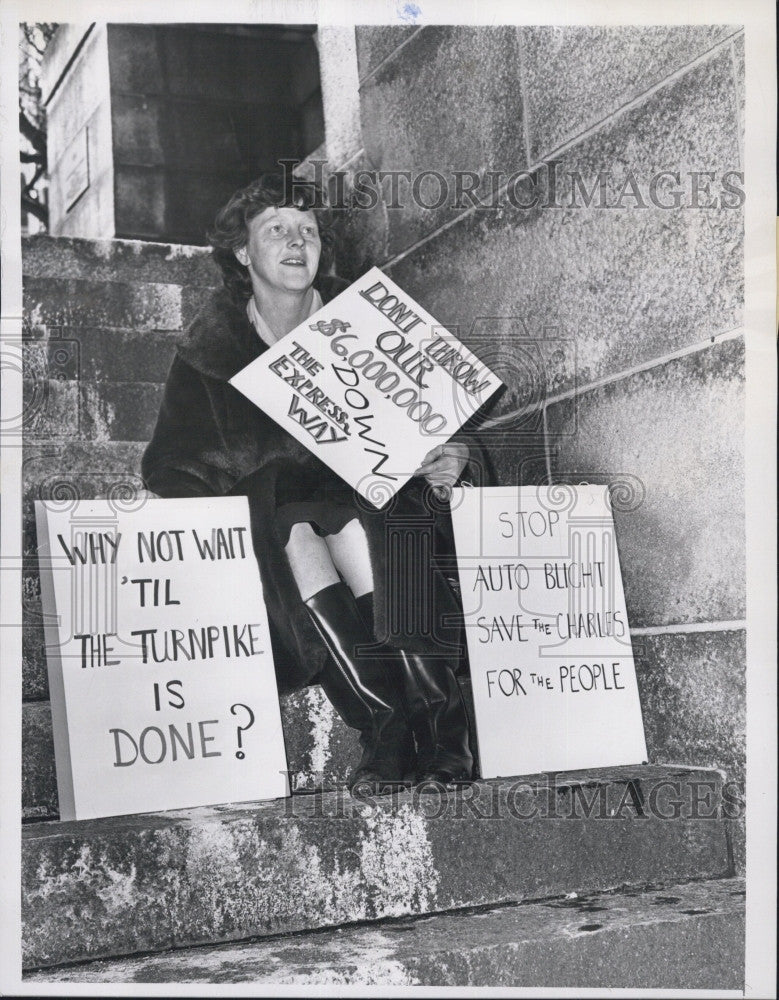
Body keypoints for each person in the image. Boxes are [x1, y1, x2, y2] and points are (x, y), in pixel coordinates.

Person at [142, 173, 487, 795]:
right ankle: (386, 725)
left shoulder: (368, 327)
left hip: (383, 508)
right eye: (276, 228)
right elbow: (170, 468)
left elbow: (451, 432)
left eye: (308, 229)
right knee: (293, 529)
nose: (297, 241)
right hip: (282, 523)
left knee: (374, 521)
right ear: (244, 252)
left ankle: (443, 731)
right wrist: (235, 508)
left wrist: (457, 457)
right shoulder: (209, 353)